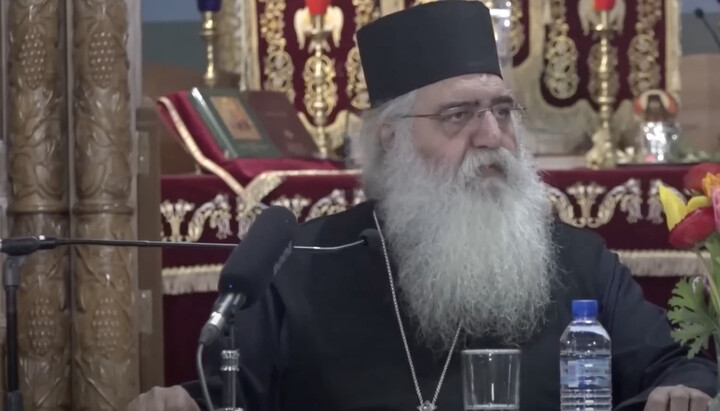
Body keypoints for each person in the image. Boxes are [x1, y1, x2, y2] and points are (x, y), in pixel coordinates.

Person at [128, 2, 717, 410]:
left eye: (502, 111)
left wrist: (683, 390)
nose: (492, 136)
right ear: (391, 138)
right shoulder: (304, 264)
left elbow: (678, 369)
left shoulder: (580, 261)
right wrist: (181, 401)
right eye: (458, 115)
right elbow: (227, 395)